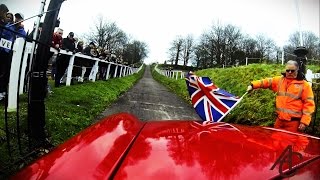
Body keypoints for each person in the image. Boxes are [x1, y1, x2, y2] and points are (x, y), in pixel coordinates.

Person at [247, 60, 315, 132]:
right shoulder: (280, 80)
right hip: (279, 121)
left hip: (294, 123)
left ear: (297, 70)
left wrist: (304, 122)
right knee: (276, 142)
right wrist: (252, 85)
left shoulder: (304, 85)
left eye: (292, 71)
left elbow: (309, 104)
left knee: (290, 142)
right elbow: (266, 82)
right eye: (288, 70)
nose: (289, 72)